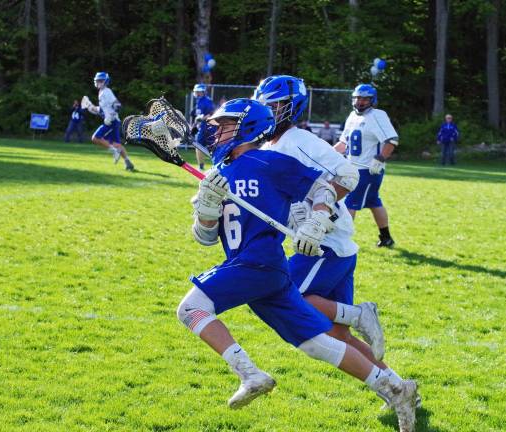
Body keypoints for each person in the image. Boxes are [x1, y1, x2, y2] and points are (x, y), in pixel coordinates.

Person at [177, 98, 417, 431]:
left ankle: (250, 375)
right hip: (260, 272)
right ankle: (395, 389)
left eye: (224, 125)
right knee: (317, 343)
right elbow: (204, 237)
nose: (215, 131)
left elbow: (322, 186)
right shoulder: (217, 175)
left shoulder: (269, 162)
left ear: (247, 127)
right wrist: (206, 204)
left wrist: (316, 222)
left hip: (256, 263)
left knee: (191, 310)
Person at [254, 76, 418, 402]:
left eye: (274, 106)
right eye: (263, 106)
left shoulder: (297, 139)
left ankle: (361, 315)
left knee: (285, 297)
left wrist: (318, 220)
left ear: (291, 108)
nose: (267, 112)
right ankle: (401, 389)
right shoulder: (270, 146)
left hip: (326, 241)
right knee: (338, 335)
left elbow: (346, 174)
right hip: (326, 243)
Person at [334, 84, 399, 248]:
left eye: (364, 99)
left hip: (367, 170)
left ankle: (341, 240)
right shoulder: (352, 116)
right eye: (357, 98)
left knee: (349, 203)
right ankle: (386, 237)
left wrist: (381, 158)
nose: (360, 102)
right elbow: (343, 143)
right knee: (374, 202)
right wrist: (327, 154)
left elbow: (392, 140)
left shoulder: (377, 115)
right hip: (352, 168)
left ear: (372, 100)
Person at [87, 72, 135, 171]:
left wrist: (110, 116)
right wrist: (92, 108)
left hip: (112, 121)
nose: (99, 82)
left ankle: (114, 151)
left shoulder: (106, 91)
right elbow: (104, 109)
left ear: (105, 81)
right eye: (98, 81)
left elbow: (117, 105)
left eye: (101, 80)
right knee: (117, 144)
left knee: (95, 138)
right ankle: (128, 162)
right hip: (113, 121)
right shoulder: (101, 92)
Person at [190, 83, 215, 171]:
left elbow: (211, 113)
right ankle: (201, 166)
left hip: (208, 127)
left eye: (199, 91)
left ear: (203, 92)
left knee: (211, 147)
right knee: (198, 146)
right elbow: (195, 116)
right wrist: (193, 126)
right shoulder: (198, 101)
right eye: (196, 91)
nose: (197, 93)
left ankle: (213, 166)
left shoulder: (207, 101)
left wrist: (202, 118)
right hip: (201, 127)